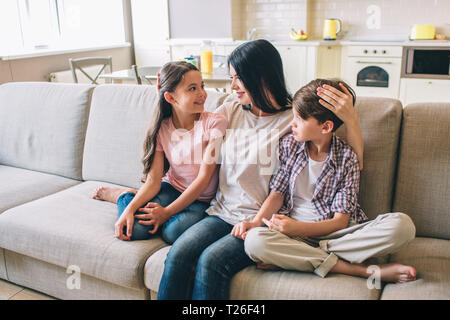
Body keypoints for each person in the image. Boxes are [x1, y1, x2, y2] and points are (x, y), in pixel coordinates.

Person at [156, 39, 366, 300]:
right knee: (179, 253)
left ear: (260, 76)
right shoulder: (231, 109)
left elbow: (348, 161)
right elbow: (190, 134)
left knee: (211, 262)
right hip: (221, 212)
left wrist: (350, 118)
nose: (232, 86)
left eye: (237, 78)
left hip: (261, 220)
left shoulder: (295, 119)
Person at [242, 79, 417, 284]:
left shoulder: (347, 158)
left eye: (299, 118)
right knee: (255, 242)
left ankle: (305, 256)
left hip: (337, 233)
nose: (292, 123)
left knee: (403, 226)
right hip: (292, 236)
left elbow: (340, 222)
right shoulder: (288, 145)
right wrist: (255, 223)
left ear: (325, 126)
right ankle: (360, 270)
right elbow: (276, 195)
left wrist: (296, 228)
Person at [92, 61, 227, 244]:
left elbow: (203, 180)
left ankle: (130, 194)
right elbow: (154, 180)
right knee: (133, 229)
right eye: (192, 88)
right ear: (171, 98)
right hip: (171, 188)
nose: (202, 93)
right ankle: (124, 197)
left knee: (172, 232)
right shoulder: (162, 128)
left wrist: (166, 213)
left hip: (200, 198)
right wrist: (130, 209)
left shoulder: (214, 123)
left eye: (202, 86)